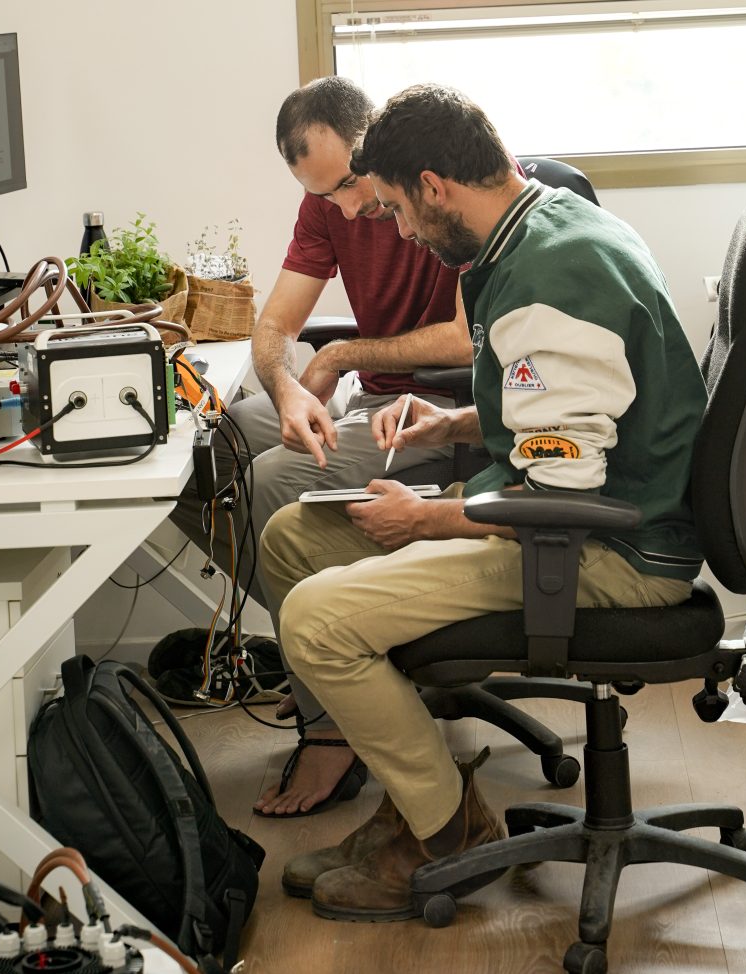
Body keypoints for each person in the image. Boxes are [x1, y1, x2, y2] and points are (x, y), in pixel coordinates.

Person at [255, 83, 708, 921]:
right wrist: (453, 423)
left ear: (434, 186)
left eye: (397, 210)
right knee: (294, 537)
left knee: (315, 620)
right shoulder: (540, 226)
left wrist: (423, 519)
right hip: (563, 514)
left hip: (604, 552)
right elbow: (567, 416)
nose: (398, 231)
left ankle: (442, 830)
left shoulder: (550, 277)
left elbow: (559, 488)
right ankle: (414, 791)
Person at [165, 76, 472, 817]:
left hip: (437, 407)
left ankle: (330, 721)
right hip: (367, 398)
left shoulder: (439, 186)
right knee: (200, 452)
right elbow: (274, 328)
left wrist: (338, 356)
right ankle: (341, 657)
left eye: (349, 184)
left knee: (273, 480)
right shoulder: (329, 203)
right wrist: (289, 390)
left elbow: (467, 341)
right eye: (323, 193)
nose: (346, 206)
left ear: (378, 146)